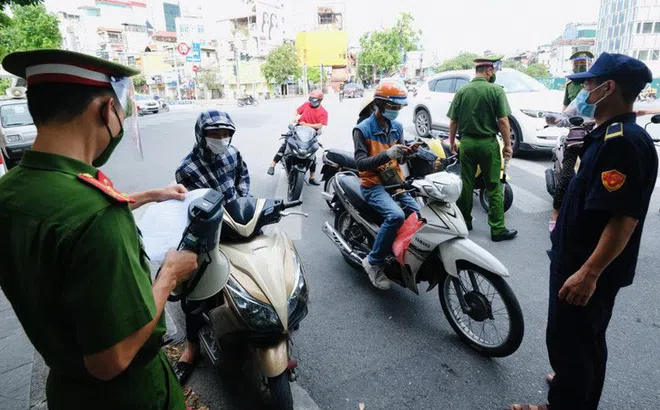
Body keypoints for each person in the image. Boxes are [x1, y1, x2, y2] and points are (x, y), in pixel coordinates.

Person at [0, 49, 199, 409]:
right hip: (128, 397)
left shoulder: (12, 189)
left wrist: (153, 195)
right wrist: (170, 275)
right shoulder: (98, 217)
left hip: (68, 391)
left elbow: (65, 215)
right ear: (106, 110)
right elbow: (112, 359)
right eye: (122, 112)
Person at [511, 53, 657, 410]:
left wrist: (589, 273)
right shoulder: (606, 134)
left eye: (589, 85)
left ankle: (565, 401)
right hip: (577, 258)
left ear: (608, 89)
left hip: (585, 266)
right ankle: (574, 386)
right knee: (584, 341)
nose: (583, 90)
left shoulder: (621, 142)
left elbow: (624, 218)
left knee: (570, 341)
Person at [173, 109, 250, 384]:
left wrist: (243, 203)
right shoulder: (187, 168)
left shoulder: (233, 153)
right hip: (208, 231)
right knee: (194, 292)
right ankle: (192, 346)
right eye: (214, 133)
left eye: (225, 133)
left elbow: (243, 179)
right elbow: (191, 207)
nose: (221, 138)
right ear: (201, 135)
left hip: (238, 221)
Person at [353, 81, 421, 290]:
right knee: (396, 216)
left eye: (399, 107)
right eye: (393, 107)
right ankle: (373, 262)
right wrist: (386, 155)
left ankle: (399, 253)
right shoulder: (362, 129)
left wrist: (408, 153)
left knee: (418, 213)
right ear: (380, 104)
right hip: (373, 184)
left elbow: (399, 161)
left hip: (395, 182)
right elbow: (361, 163)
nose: (397, 111)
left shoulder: (397, 127)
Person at [447, 56, 517, 242]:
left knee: (467, 185)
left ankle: (464, 222)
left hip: (467, 144)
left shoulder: (462, 91)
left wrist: (452, 141)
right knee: (493, 186)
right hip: (488, 144)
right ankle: (497, 229)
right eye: (492, 71)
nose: (493, 74)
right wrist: (508, 146)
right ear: (488, 70)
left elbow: (453, 121)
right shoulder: (496, 90)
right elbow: (503, 121)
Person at [267, 90, 328, 184]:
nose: (312, 102)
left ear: (320, 100)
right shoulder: (307, 104)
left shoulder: (323, 112)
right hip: (298, 129)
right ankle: (272, 164)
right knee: (286, 143)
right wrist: (295, 117)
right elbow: (297, 111)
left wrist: (306, 125)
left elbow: (320, 125)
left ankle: (311, 178)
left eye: (314, 100)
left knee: (313, 155)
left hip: (311, 134)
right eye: (311, 99)